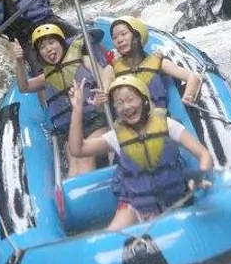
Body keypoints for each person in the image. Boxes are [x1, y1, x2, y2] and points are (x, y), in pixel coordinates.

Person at [68, 75, 213, 230]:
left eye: (131, 99)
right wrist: (77, 109)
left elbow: (204, 155)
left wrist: (201, 175)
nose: (126, 107)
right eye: (119, 103)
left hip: (175, 198)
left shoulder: (167, 125)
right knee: (112, 235)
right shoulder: (116, 137)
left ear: (144, 100)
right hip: (137, 205)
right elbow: (78, 149)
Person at [11, 24, 109, 177]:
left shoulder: (84, 60)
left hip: (95, 120)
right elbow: (24, 87)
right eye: (43, 47)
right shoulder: (46, 78)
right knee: (75, 162)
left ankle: (88, 196)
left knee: (86, 155)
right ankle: (75, 197)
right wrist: (19, 61)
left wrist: (103, 93)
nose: (48, 49)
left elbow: (105, 73)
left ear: (62, 44)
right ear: (39, 54)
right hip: (70, 129)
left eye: (52, 43)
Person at [102, 15, 202, 108]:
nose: (119, 40)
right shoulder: (111, 69)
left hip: (156, 117)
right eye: (114, 37)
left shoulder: (158, 62)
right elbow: (103, 104)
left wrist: (188, 96)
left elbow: (193, 78)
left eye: (124, 34)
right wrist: (99, 102)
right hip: (129, 119)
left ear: (137, 36)